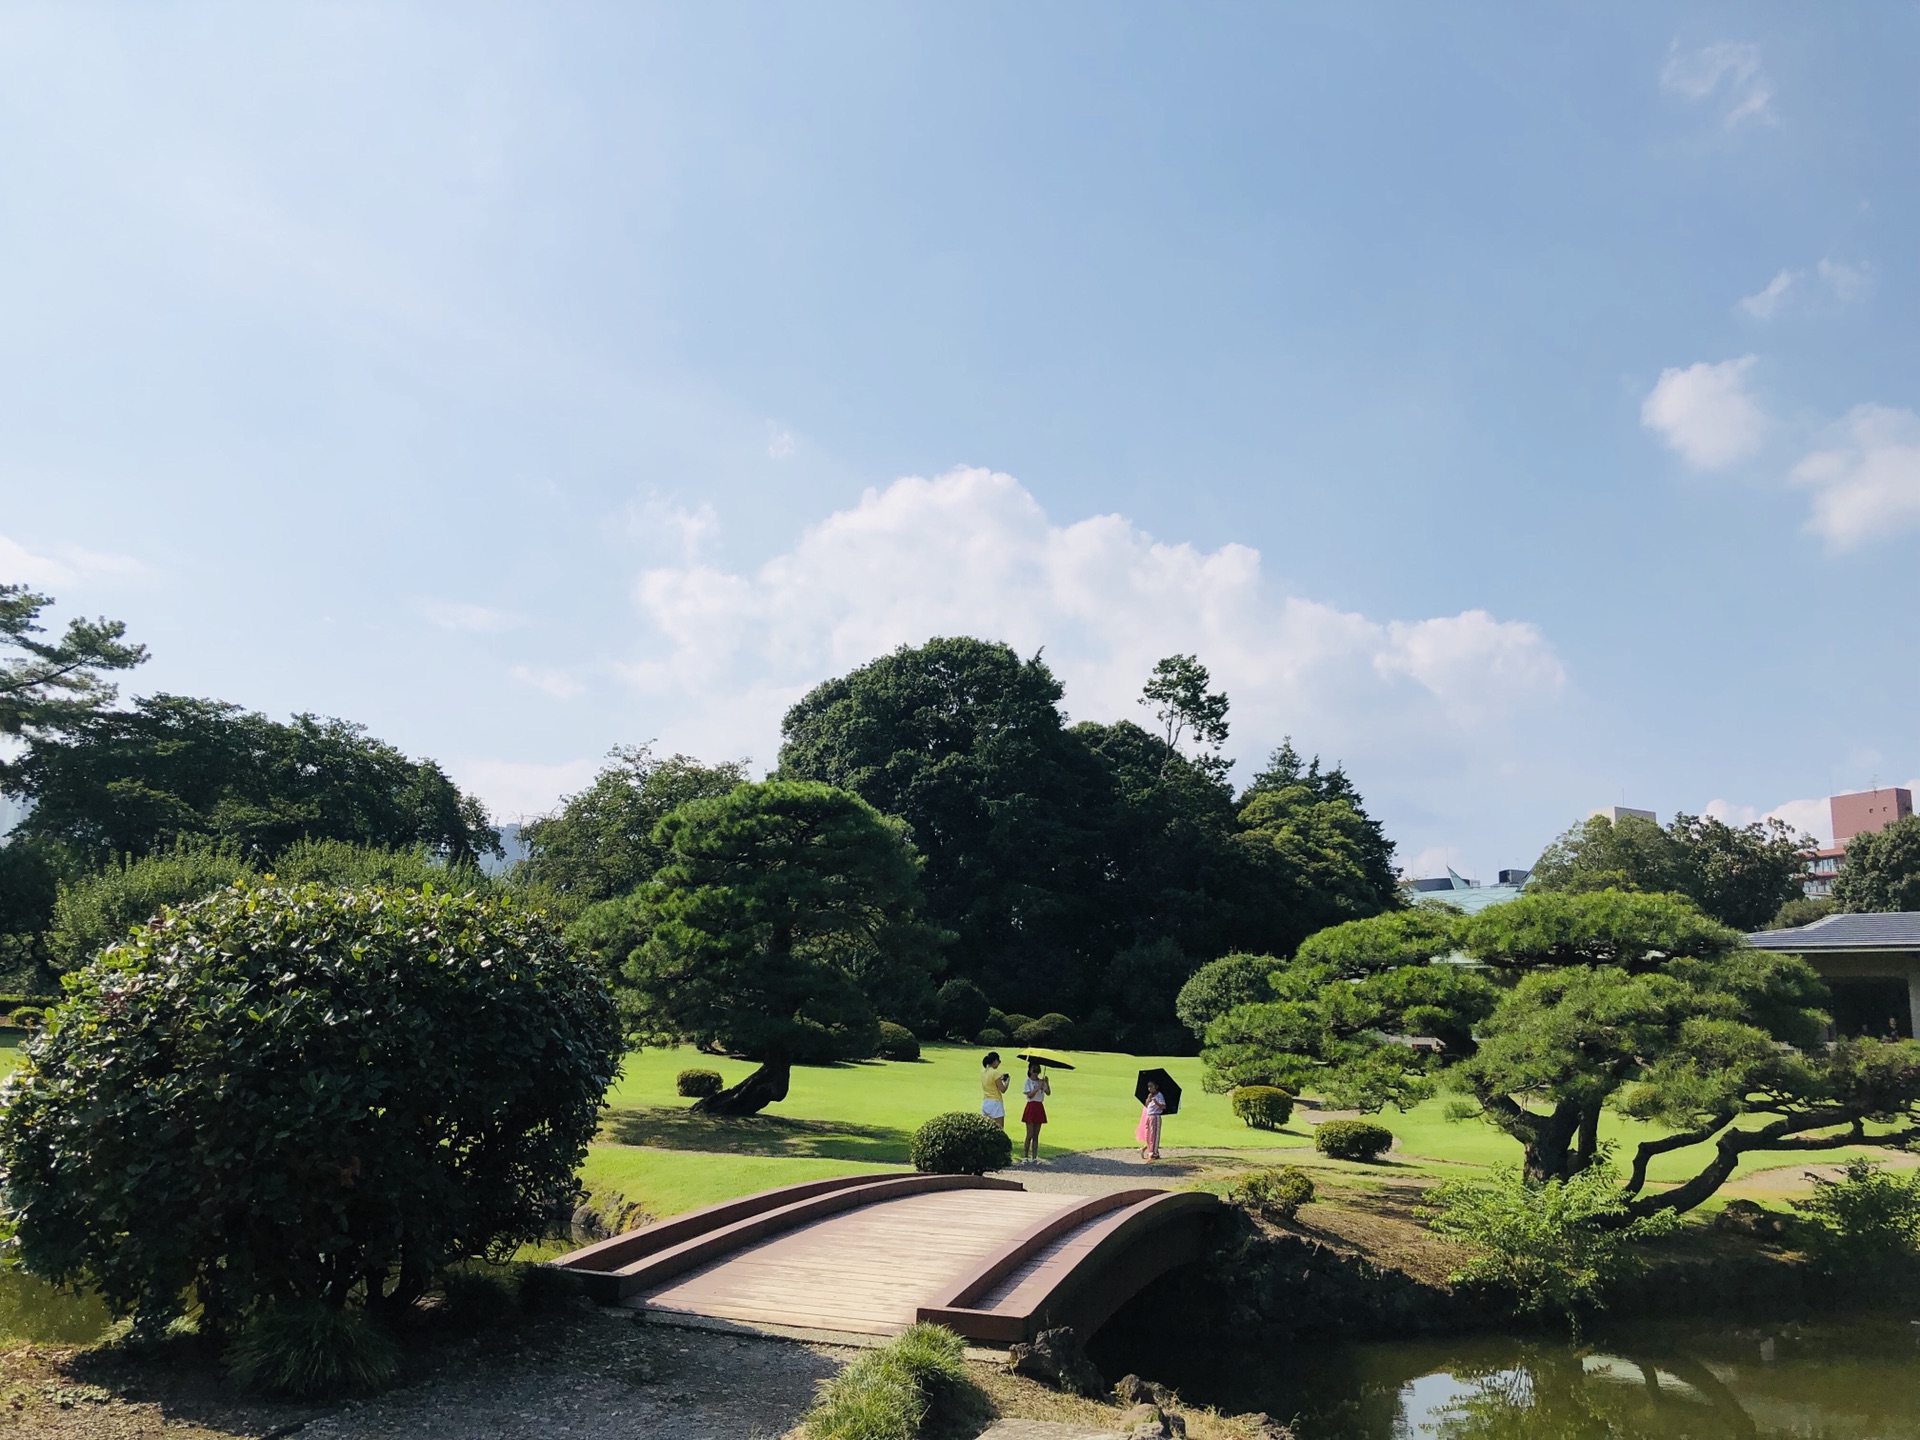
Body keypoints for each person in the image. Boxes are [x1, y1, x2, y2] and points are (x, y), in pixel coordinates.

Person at [1019, 1059, 1051, 1162]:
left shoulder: (1041, 1081)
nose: (1036, 1070)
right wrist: (1038, 1088)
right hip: (1031, 1106)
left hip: (1039, 1106)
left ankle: (1034, 1157)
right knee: (1029, 1134)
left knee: (1036, 1135)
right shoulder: (1027, 1081)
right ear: (1030, 1069)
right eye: (1034, 1068)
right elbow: (1029, 1095)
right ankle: (1025, 1156)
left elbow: (1048, 1092)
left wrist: (1046, 1083)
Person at [1136, 1079, 1167, 1162]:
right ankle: (1149, 1150)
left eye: (1151, 1086)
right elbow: (1146, 1105)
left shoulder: (1159, 1095)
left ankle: (1154, 1153)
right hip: (1148, 1115)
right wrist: (1148, 1100)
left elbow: (1163, 1106)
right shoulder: (1150, 1095)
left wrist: (1156, 1102)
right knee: (1148, 1135)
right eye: (1148, 1087)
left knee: (1154, 1134)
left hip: (1155, 1115)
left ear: (1155, 1087)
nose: (1149, 1088)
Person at [980, 1051, 1010, 1128]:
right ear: (995, 1061)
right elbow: (1002, 1089)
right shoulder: (995, 1073)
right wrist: (1007, 1081)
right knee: (999, 1128)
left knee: (987, 1128)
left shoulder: (983, 1071)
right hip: (995, 1102)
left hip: (986, 1101)